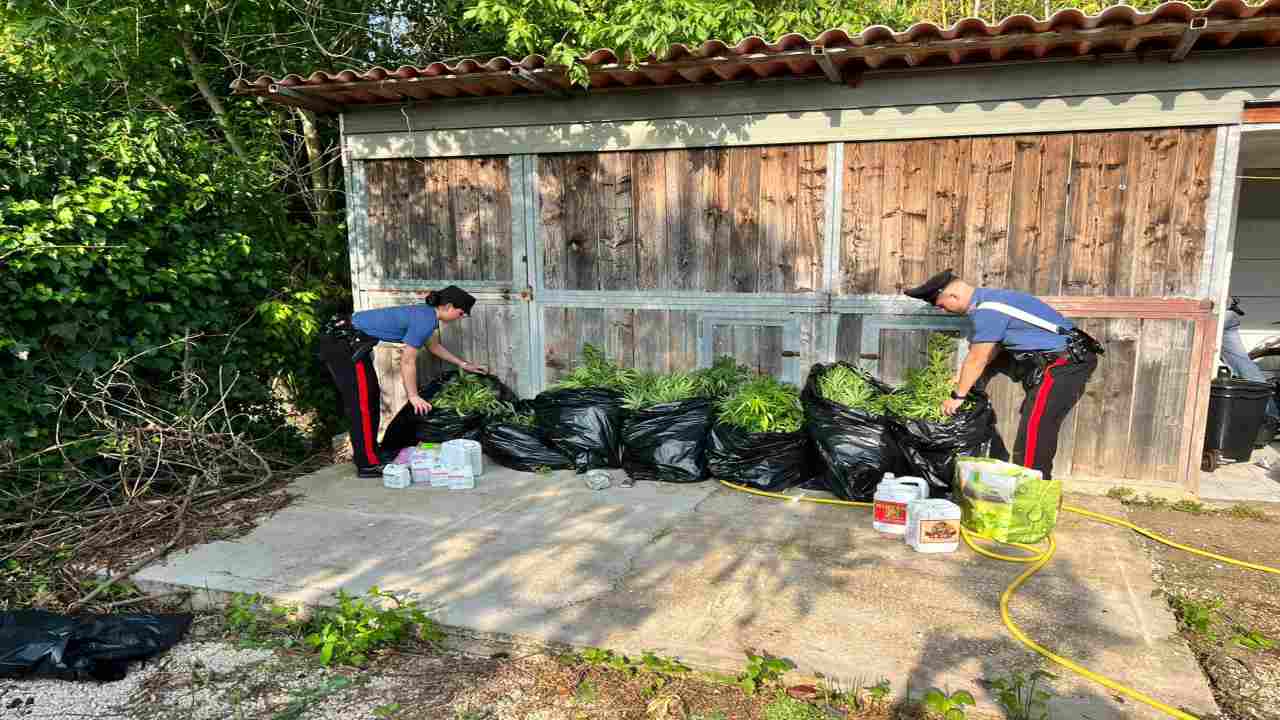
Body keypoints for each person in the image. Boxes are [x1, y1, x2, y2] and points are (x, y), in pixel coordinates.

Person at [903, 270, 1102, 482]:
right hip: (1055, 360)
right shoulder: (991, 301)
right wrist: (959, 379)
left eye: (942, 305)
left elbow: (977, 358)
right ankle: (1028, 481)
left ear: (954, 296)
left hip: (1065, 363)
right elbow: (989, 350)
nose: (943, 311)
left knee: (1037, 425)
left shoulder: (988, 310)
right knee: (1033, 417)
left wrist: (958, 396)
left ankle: (1032, 488)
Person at [317, 286, 489, 477]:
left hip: (349, 342)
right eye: (461, 312)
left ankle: (371, 454)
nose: (461, 316)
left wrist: (463, 364)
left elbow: (434, 347)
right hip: (342, 343)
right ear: (448, 306)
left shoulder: (427, 317)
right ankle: (367, 464)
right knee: (362, 404)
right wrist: (413, 396)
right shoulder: (425, 319)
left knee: (370, 397)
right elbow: (407, 361)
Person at [1220, 298, 1280, 427]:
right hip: (1226, 313)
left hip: (1220, 314)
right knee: (1244, 366)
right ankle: (1271, 417)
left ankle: (1271, 418)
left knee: (1245, 368)